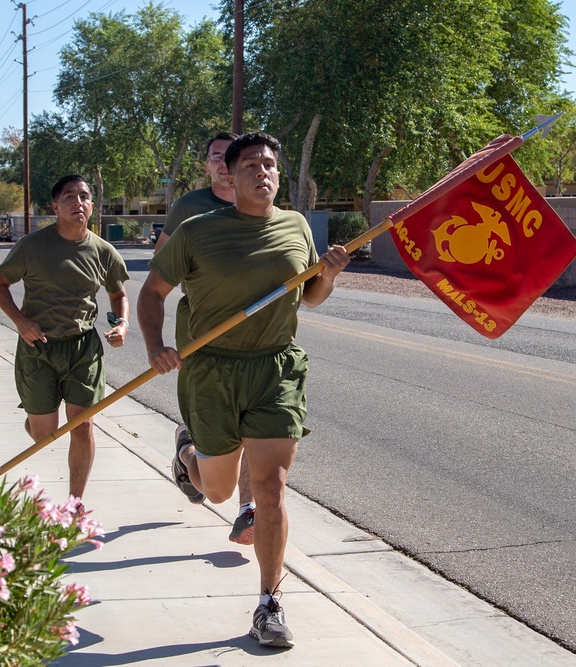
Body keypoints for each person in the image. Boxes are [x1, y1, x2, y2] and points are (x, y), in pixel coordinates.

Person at [138, 132, 350, 647]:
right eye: (251, 164)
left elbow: (311, 297)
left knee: (271, 490)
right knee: (216, 491)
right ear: (229, 177)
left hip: (275, 370)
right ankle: (187, 451)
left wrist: (331, 274)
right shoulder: (197, 232)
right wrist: (154, 347)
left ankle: (269, 603)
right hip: (211, 371)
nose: (264, 172)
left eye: (270, 164)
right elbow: (152, 292)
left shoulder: (296, 226)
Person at [0, 175, 130, 507]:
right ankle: (37, 416)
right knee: (44, 434)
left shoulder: (103, 251)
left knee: (81, 426)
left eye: (84, 197)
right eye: (69, 197)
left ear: (92, 205)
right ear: (55, 206)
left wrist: (121, 324)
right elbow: (0, 284)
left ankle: (74, 502)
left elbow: (118, 294)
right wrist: (20, 322)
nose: (77, 203)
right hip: (38, 348)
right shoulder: (32, 246)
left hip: (83, 349)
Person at [155, 131, 258, 547]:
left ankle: (248, 510)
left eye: (229, 157)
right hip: (203, 331)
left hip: (256, 337)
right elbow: (162, 267)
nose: (222, 164)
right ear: (208, 165)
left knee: (256, 425)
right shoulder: (190, 208)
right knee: (217, 480)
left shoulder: (260, 202)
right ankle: (187, 451)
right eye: (215, 156)